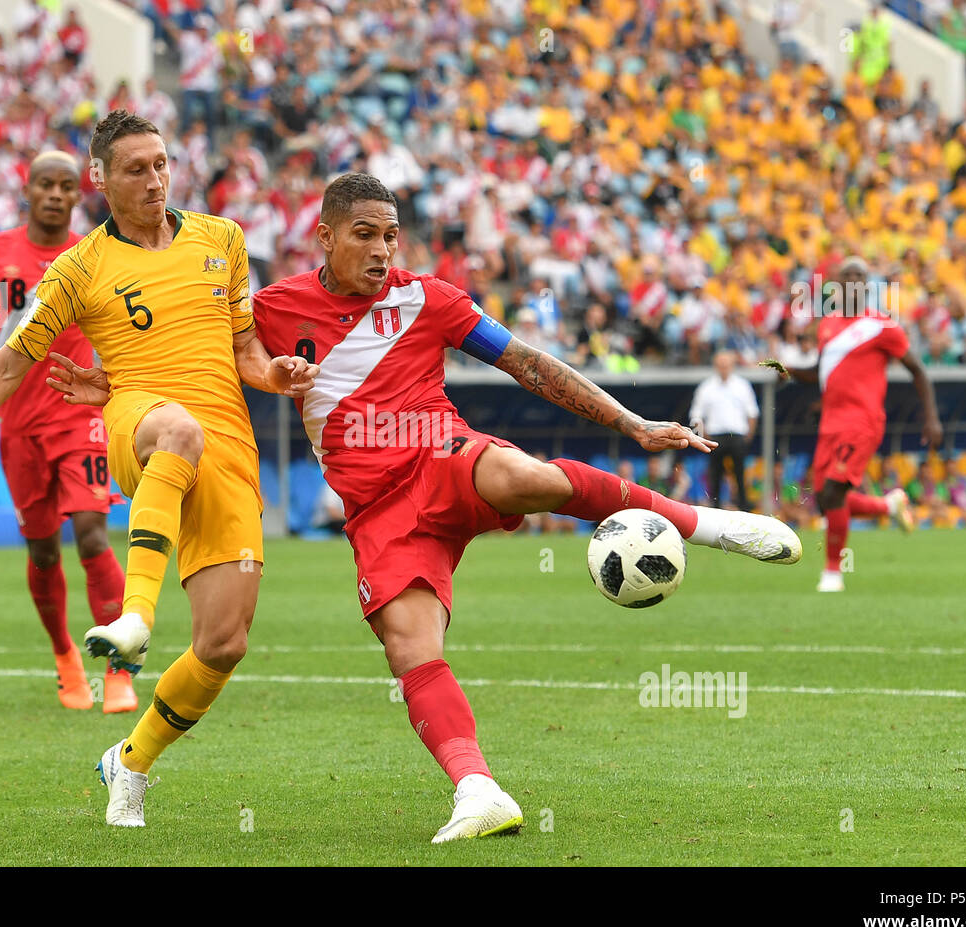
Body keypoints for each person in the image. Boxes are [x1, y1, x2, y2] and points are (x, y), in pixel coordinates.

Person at [49, 172, 803, 843]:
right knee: (412, 650)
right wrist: (113, 388)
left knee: (520, 478)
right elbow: (185, 356)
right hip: (376, 511)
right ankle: (477, 789)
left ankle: (701, 523)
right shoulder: (272, 310)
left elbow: (529, 364)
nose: (382, 250)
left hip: (444, 458)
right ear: (326, 236)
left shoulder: (428, 299)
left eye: (391, 236)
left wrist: (629, 422)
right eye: (365, 236)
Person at [0, 112, 318, 828]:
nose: (154, 179)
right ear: (100, 179)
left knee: (223, 644)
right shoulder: (77, 269)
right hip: (136, 419)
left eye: (162, 164)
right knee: (172, 429)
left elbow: (245, 355)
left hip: (229, 447)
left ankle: (130, 761)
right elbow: (10, 360)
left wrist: (280, 373)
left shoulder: (223, 241)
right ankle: (134, 617)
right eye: (136, 168)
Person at [0, 151, 138, 714]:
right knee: (44, 550)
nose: (55, 194)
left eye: (66, 186)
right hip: (17, 422)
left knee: (93, 535)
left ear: (79, 194)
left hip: (81, 417)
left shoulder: (93, 253)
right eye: (45, 185)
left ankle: (119, 669)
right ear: (26, 189)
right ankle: (64, 658)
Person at [768, 257, 941, 592]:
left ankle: (833, 572)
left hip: (862, 422)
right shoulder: (828, 324)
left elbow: (918, 370)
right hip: (831, 423)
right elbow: (822, 371)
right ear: (837, 284)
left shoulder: (882, 326)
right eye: (845, 275)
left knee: (834, 492)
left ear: (866, 284)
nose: (851, 280)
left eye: (858, 276)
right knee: (825, 497)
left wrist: (931, 417)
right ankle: (889, 505)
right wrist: (786, 369)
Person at [688, 350, 758, 511]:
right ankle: (716, 508)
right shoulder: (706, 387)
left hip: (738, 435)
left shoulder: (742, 385)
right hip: (715, 436)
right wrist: (702, 437)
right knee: (715, 475)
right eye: (721, 365)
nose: (724, 368)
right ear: (716, 366)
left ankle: (743, 508)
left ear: (732, 366)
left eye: (726, 365)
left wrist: (748, 437)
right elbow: (696, 415)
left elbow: (752, 413)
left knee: (740, 475)